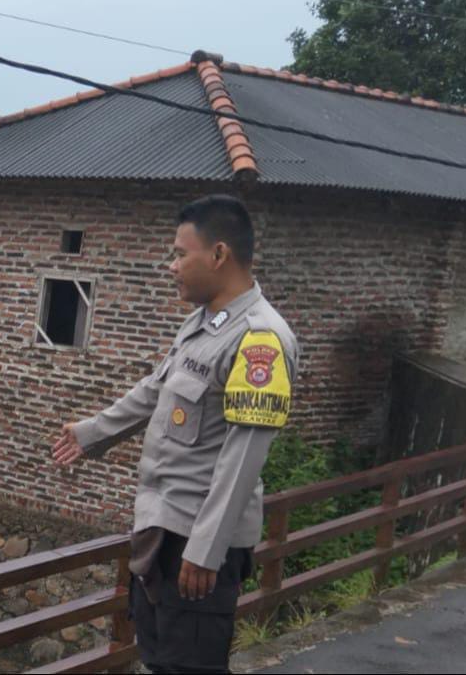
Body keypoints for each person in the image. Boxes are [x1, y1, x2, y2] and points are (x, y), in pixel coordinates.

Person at [52, 194, 299, 675]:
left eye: (181, 254)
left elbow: (243, 458)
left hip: (198, 542)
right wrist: (92, 433)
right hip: (164, 532)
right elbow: (157, 390)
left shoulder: (260, 340)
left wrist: (206, 550)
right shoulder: (203, 323)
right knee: (158, 660)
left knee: (189, 668)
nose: (172, 266)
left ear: (219, 254)